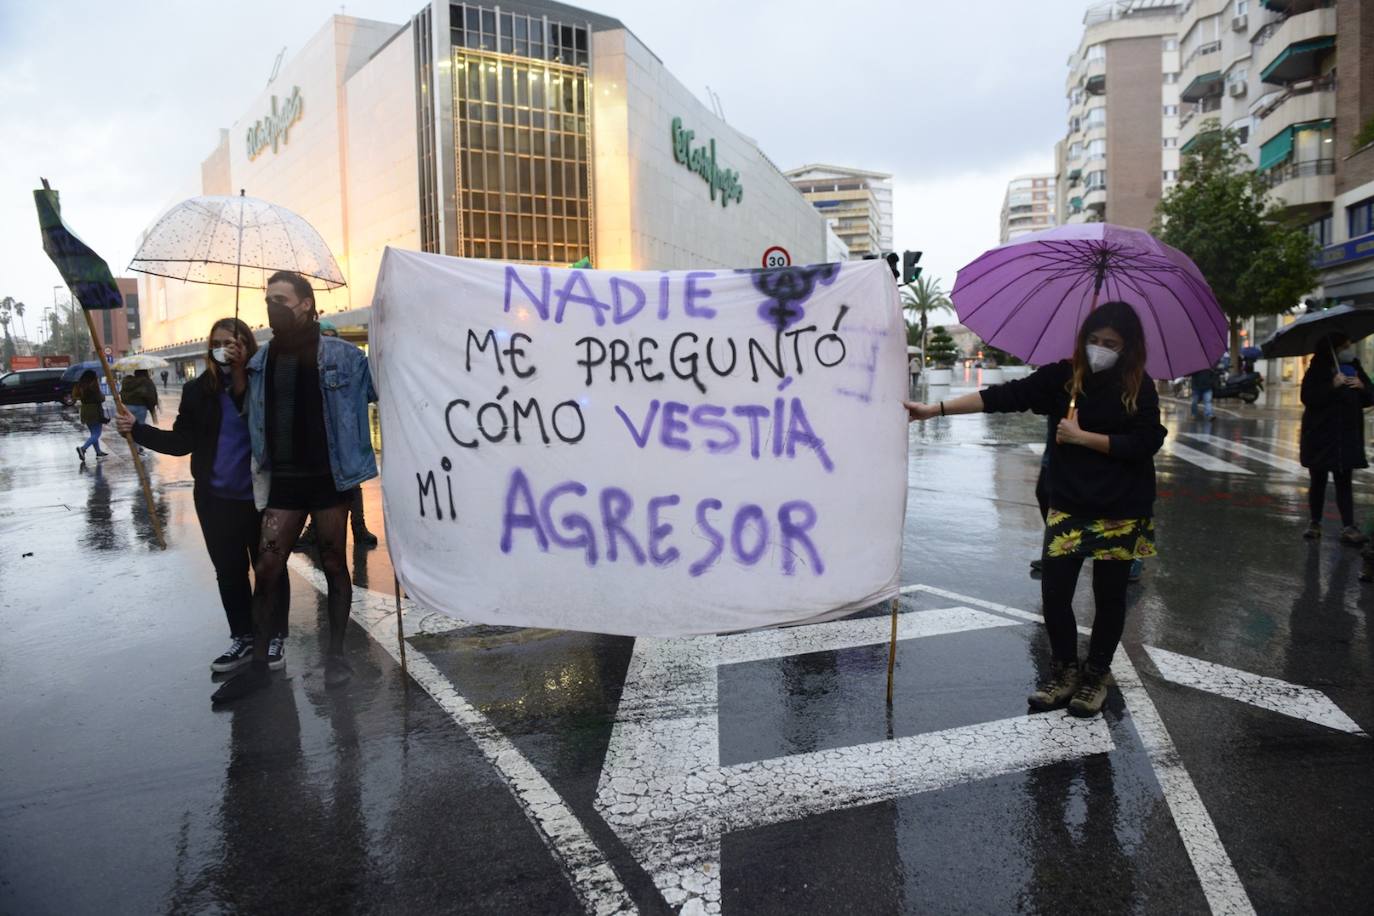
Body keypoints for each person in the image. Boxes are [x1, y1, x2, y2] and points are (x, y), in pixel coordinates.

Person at [906, 301, 1165, 718]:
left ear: (1127, 347)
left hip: (1121, 508)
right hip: (1069, 505)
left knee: (1109, 597)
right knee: (1055, 593)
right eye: (1094, 340)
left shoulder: (1139, 385)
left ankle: (1095, 675)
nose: (1100, 348)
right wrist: (934, 410)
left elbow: (1148, 441)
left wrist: (1085, 438)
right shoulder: (1065, 377)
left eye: (1111, 343)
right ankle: (1063, 671)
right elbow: (1003, 396)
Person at [211, 271, 379, 704]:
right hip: (283, 482)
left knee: (334, 563)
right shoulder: (261, 360)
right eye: (268, 299)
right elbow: (248, 410)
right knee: (266, 569)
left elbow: (380, 391)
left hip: (328, 480)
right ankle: (259, 667)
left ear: (306, 303)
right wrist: (235, 370)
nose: (273, 306)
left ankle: (337, 657)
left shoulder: (344, 356)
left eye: (281, 299)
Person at [116, 319, 291, 673]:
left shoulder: (265, 385)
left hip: (262, 500)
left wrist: (243, 374)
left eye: (235, 342)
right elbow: (183, 442)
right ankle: (242, 637)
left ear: (248, 347)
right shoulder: (197, 391)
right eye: (220, 342)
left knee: (271, 570)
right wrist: (137, 431)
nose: (226, 347)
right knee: (229, 572)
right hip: (215, 500)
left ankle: (274, 636)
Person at [295, 318, 380, 551]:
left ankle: (359, 528)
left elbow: (371, 391)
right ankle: (314, 529)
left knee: (352, 485)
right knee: (320, 489)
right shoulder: (305, 367)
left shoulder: (350, 363)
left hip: (347, 442)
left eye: (333, 336)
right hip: (318, 444)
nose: (329, 342)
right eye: (325, 336)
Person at [1300, 334, 1372, 544]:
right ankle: (1315, 523)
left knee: (1344, 482)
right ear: (1333, 348)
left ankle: (1348, 526)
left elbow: (1369, 397)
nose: (1349, 350)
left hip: (1346, 436)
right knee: (1318, 481)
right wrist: (1332, 385)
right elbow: (1308, 397)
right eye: (1344, 347)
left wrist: (1362, 387)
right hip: (1320, 435)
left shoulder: (1354, 367)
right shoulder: (1317, 370)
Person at [73, 370, 109, 462]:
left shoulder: (79, 385)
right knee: (97, 434)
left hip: (85, 410)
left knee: (93, 433)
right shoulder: (93, 386)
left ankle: (98, 451)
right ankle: (83, 448)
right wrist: (102, 395)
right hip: (94, 411)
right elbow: (100, 398)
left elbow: (75, 396)